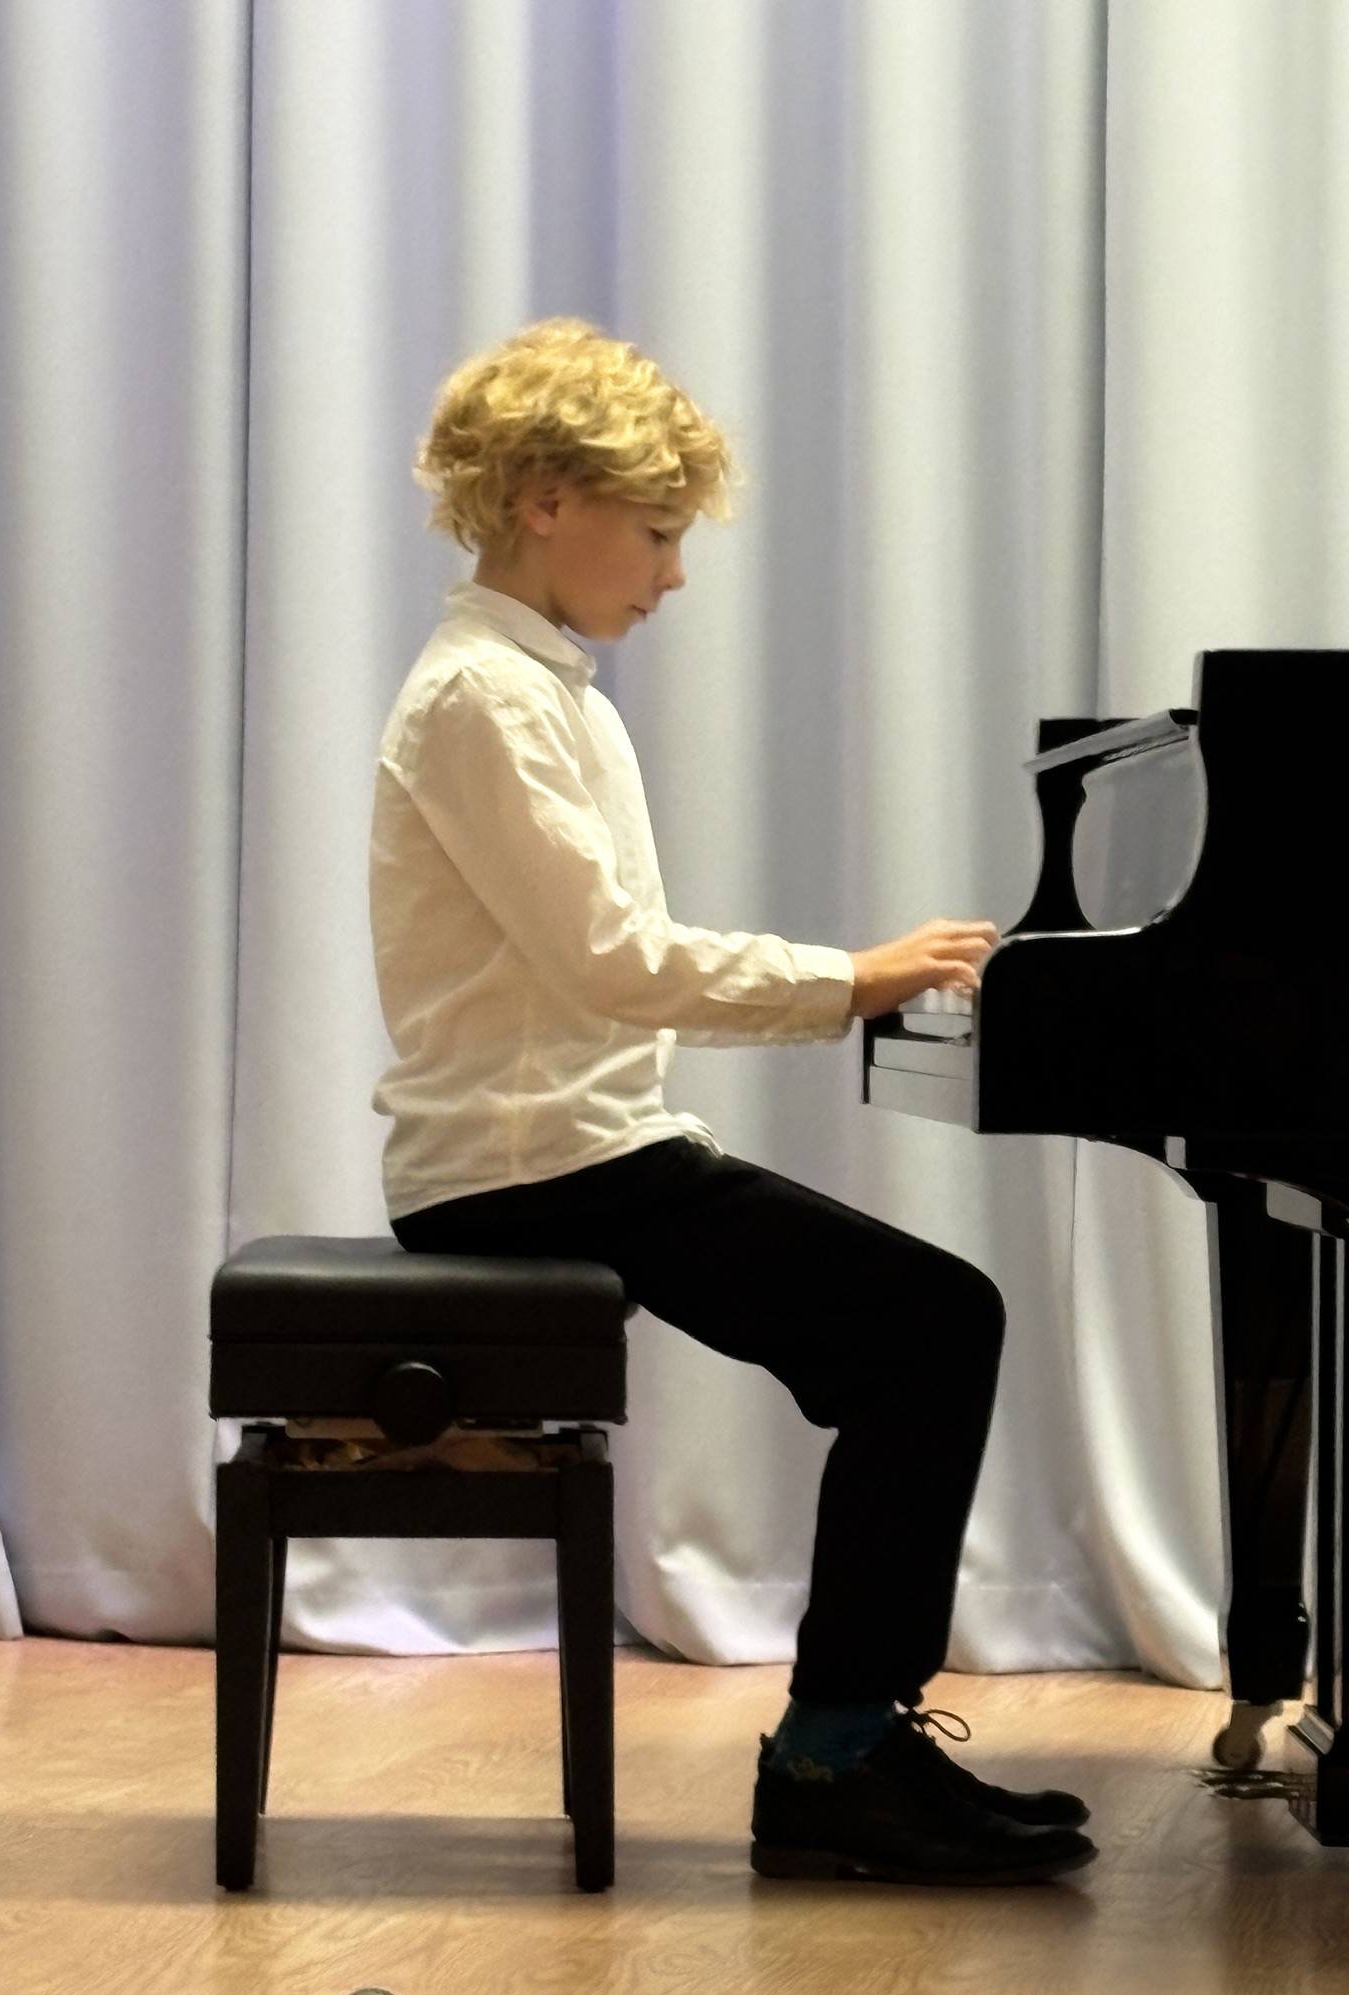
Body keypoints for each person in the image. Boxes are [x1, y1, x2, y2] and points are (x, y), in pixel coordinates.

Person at [368, 316, 1095, 1886]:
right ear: (548, 499)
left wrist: (848, 983)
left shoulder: (540, 687)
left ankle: (848, 1741)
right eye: (658, 532)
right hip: (528, 1170)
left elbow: (600, 969)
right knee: (933, 1325)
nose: (676, 574)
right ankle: (835, 1760)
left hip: (576, 1151)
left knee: (916, 1329)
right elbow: (614, 962)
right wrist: (851, 977)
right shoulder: (485, 698)